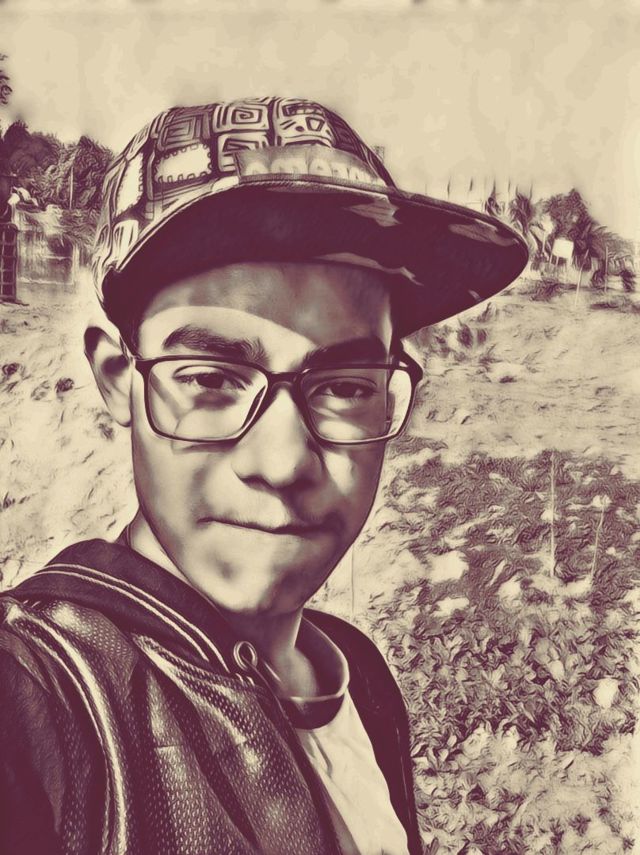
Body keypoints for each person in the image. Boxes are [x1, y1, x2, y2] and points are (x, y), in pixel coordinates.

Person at [0, 97, 527, 855]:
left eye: (344, 386)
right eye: (210, 379)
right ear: (119, 380)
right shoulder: (37, 694)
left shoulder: (357, 674)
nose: (282, 464)